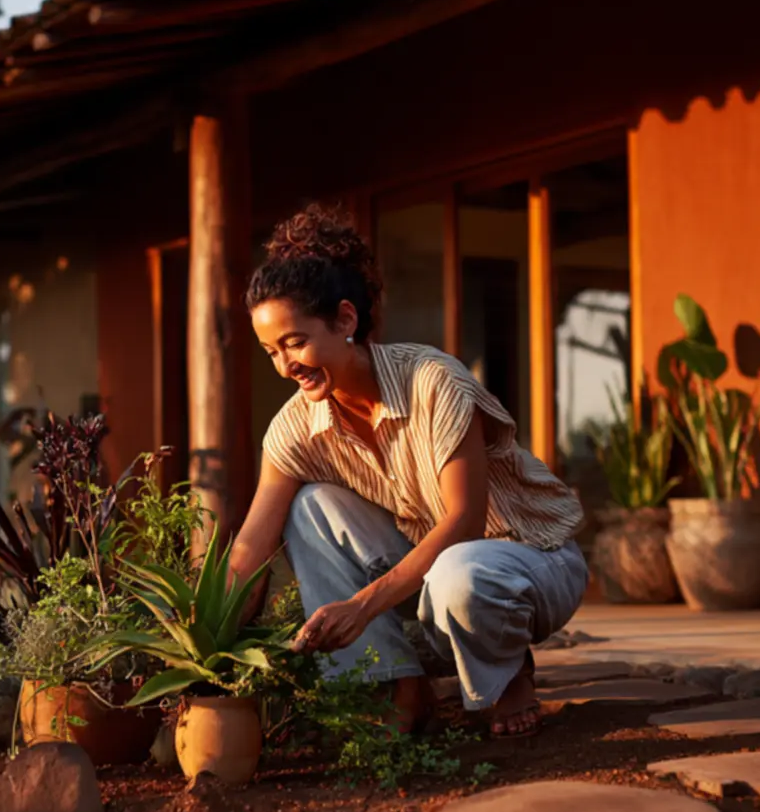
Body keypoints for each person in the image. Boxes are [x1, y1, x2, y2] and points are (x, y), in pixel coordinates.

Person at [227, 203, 588, 739]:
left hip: (534, 558)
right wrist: (201, 633)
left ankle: (509, 674)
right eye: (270, 351)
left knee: (459, 572)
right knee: (309, 508)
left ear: (345, 320)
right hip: (437, 571)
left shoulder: (431, 380)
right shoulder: (294, 429)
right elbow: (250, 549)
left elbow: (464, 522)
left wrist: (362, 606)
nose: (286, 366)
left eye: (296, 342)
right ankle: (396, 686)